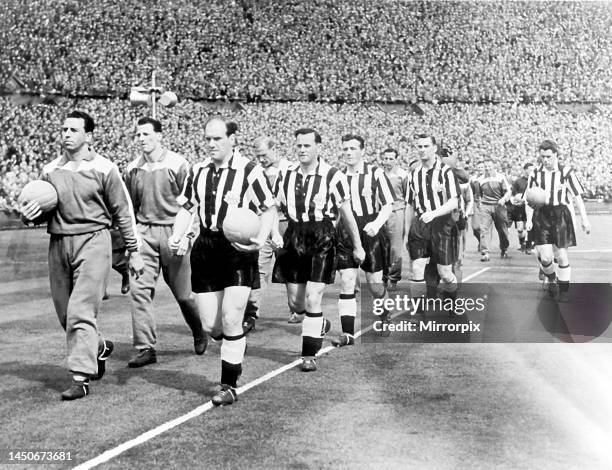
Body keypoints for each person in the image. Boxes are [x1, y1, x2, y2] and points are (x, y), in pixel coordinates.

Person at [20, 110, 144, 400]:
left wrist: (133, 251)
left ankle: (80, 377)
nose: (66, 133)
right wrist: (28, 217)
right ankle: (98, 346)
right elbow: (40, 209)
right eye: (64, 129)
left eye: (73, 130)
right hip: (59, 242)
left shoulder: (105, 169)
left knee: (80, 311)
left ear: (88, 136)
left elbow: (123, 212)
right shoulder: (50, 170)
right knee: (65, 314)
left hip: (94, 241)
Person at [169, 118, 276, 406]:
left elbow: (269, 209)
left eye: (217, 138)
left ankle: (228, 384)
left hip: (238, 250)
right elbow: (186, 208)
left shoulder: (249, 171)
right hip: (205, 247)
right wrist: (177, 235)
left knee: (231, 317)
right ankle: (231, 341)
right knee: (210, 326)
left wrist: (261, 237)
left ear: (232, 140)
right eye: (208, 139)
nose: (212, 144)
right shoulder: (197, 170)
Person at [272, 128, 364, 371]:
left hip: (322, 236)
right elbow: (274, 207)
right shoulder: (286, 174)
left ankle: (308, 354)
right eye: (299, 146)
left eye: (307, 146)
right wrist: (273, 233)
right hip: (294, 235)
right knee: (296, 303)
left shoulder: (332, 175)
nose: (302, 150)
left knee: (314, 296)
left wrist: (358, 245)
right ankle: (319, 323)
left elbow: (346, 213)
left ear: (318, 147)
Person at [123, 117, 206, 367]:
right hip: (145, 232)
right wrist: (132, 241)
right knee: (139, 291)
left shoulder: (178, 164)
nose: (142, 139)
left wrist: (187, 235)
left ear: (159, 136)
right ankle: (145, 347)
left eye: (147, 134)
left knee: (184, 295)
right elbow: (129, 207)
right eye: (138, 135)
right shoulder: (132, 169)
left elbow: (192, 204)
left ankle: (199, 330)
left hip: (174, 230)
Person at [335, 135, 395, 346]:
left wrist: (377, 224)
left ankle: (385, 313)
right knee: (347, 281)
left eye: (353, 148)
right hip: (345, 234)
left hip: (370, 230)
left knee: (375, 285)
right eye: (345, 149)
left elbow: (388, 204)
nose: (348, 152)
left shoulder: (375, 173)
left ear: (363, 151)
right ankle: (348, 333)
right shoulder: (338, 176)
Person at [525, 140, 591, 302]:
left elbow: (577, 197)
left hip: (561, 215)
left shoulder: (566, 172)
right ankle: (552, 278)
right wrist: (528, 219)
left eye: (548, 156)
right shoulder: (535, 174)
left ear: (556, 155)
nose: (545, 160)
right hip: (541, 215)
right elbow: (529, 198)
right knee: (546, 258)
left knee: (561, 256)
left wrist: (584, 219)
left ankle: (564, 291)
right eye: (542, 157)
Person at [242, 136, 293, 332]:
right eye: (258, 156)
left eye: (263, 155)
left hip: (285, 224)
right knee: (258, 269)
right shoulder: (255, 172)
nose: (261, 159)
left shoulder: (290, 169)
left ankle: (296, 308)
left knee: (290, 269)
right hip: (261, 225)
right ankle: (251, 314)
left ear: (275, 148)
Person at [404, 134, 460, 308]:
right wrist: (407, 232)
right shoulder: (414, 174)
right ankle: (418, 311)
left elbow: (453, 202)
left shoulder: (446, 172)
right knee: (417, 267)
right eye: (419, 146)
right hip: (421, 224)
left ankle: (452, 300)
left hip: (442, 224)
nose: (422, 150)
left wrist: (434, 213)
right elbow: (410, 205)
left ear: (435, 148)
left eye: (426, 146)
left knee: (444, 272)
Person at [381, 148, 408, 291]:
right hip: (381, 212)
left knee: (395, 248)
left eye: (391, 158)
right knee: (382, 247)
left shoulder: (403, 175)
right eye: (386, 158)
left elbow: (408, 197)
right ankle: (384, 275)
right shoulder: (378, 175)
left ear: (396, 159)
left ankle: (394, 277)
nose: (388, 161)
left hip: (397, 211)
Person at [477, 160, 512, 261]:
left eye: (489, 166)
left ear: (494, 166)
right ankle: (485, 252)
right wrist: (480, 204)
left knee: (502, 230)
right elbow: (479, 194)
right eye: (486, 167)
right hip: (486, 206)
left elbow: (508, 192)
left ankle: (504, 248)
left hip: (499, 205)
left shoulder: (500, 177)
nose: (488, 168)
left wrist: (503, 199)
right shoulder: (480, 180)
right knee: (484, 229)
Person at [509, 162, 534, 253]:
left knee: (529, 227)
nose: (532, 171)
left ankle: (528, 246)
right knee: (520, 229)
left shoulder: (535, 181)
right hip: (519, 208)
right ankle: (522, 242)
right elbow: (512, 195)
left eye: (533, 170)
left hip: (530, 207)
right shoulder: (518, 181)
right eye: (530, 169)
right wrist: (515, 200)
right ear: (525, 170)